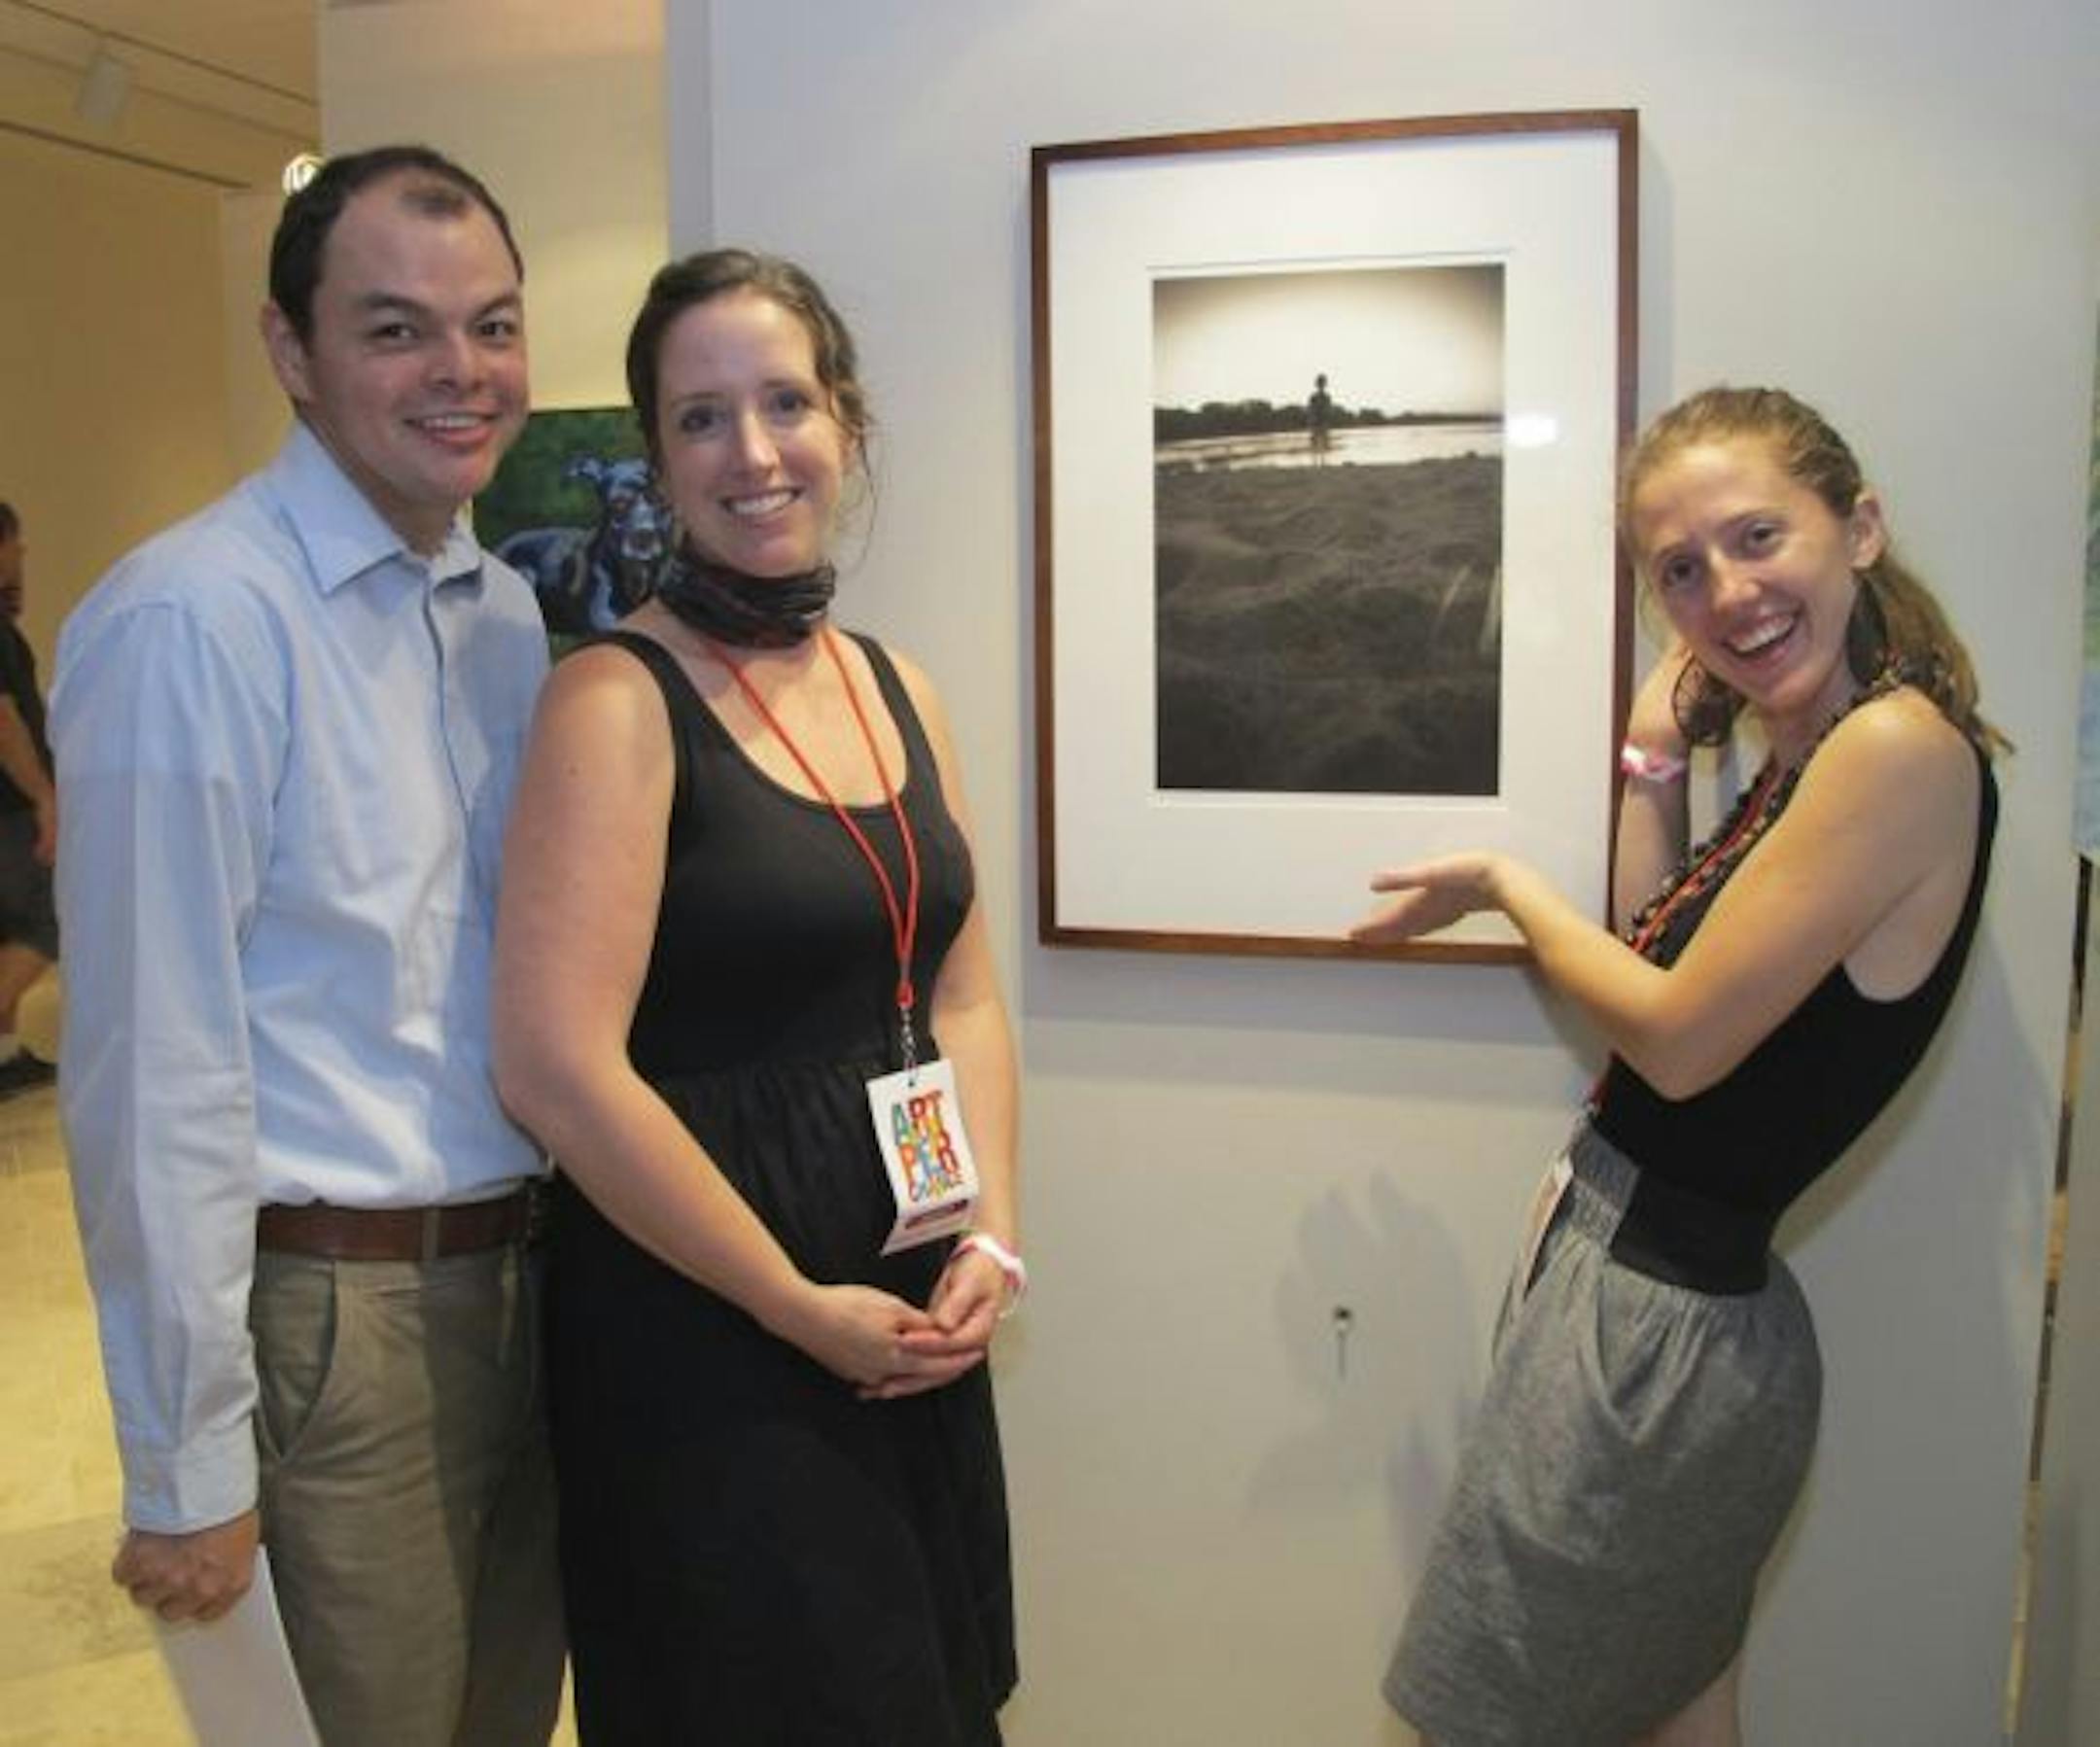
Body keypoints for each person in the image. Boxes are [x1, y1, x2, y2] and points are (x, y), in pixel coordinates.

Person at [1352, 385, 2001, 1746]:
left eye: (1760, 536)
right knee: (1677, 1715)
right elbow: (1647, 968)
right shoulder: (1812, 747)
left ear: (1861, 526)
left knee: (1479, 1717)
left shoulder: (1889, 750)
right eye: (1683, 571)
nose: (1728, 591)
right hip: (1647, 1301)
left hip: (1659, 1332)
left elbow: (1676, 1038)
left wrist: (1504, 889)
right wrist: (1656, 757)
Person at [52, 145, 563, 1747]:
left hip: (525, 1289)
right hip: (335, 1324)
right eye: (397, 329)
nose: (459, 373)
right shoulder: (192, 621)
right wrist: (190, 1464)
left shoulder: (500, 614)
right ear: (292, 350)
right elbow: (156, 1066)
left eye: (491, 325)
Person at [493, 248, 1022, 1744]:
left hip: (900, 1304)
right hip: (711, 1329)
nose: (754, 450)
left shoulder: (897, 685)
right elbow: (555, 1065)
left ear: (843, 421)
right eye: (701, 416)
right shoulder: (613, 698)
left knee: (924, 1700)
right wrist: (792, 1305)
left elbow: (961, 993)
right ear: (656, 458)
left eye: (784, 400)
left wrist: (992, 1226)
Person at [0, 503, 57, 1097]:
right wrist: (44, 797)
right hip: (11, 811)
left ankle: (7, 1056)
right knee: (48, 923)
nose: (21, 558)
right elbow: (3, 717)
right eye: (17, 545)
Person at [1308, 370, 1335, 465]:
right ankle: (1314, 460)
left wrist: (1328, 417)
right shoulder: (1314, 396)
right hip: (1316, 420)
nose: (1321, 385)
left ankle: (1323, 460)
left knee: (1324, 439)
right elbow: (1311, 408)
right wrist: (1311, 419)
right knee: (1315, 440)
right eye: (1320, 383)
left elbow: (1329, 408)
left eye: (1322, 383)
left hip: (1323, 420)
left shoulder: (1327, 396)